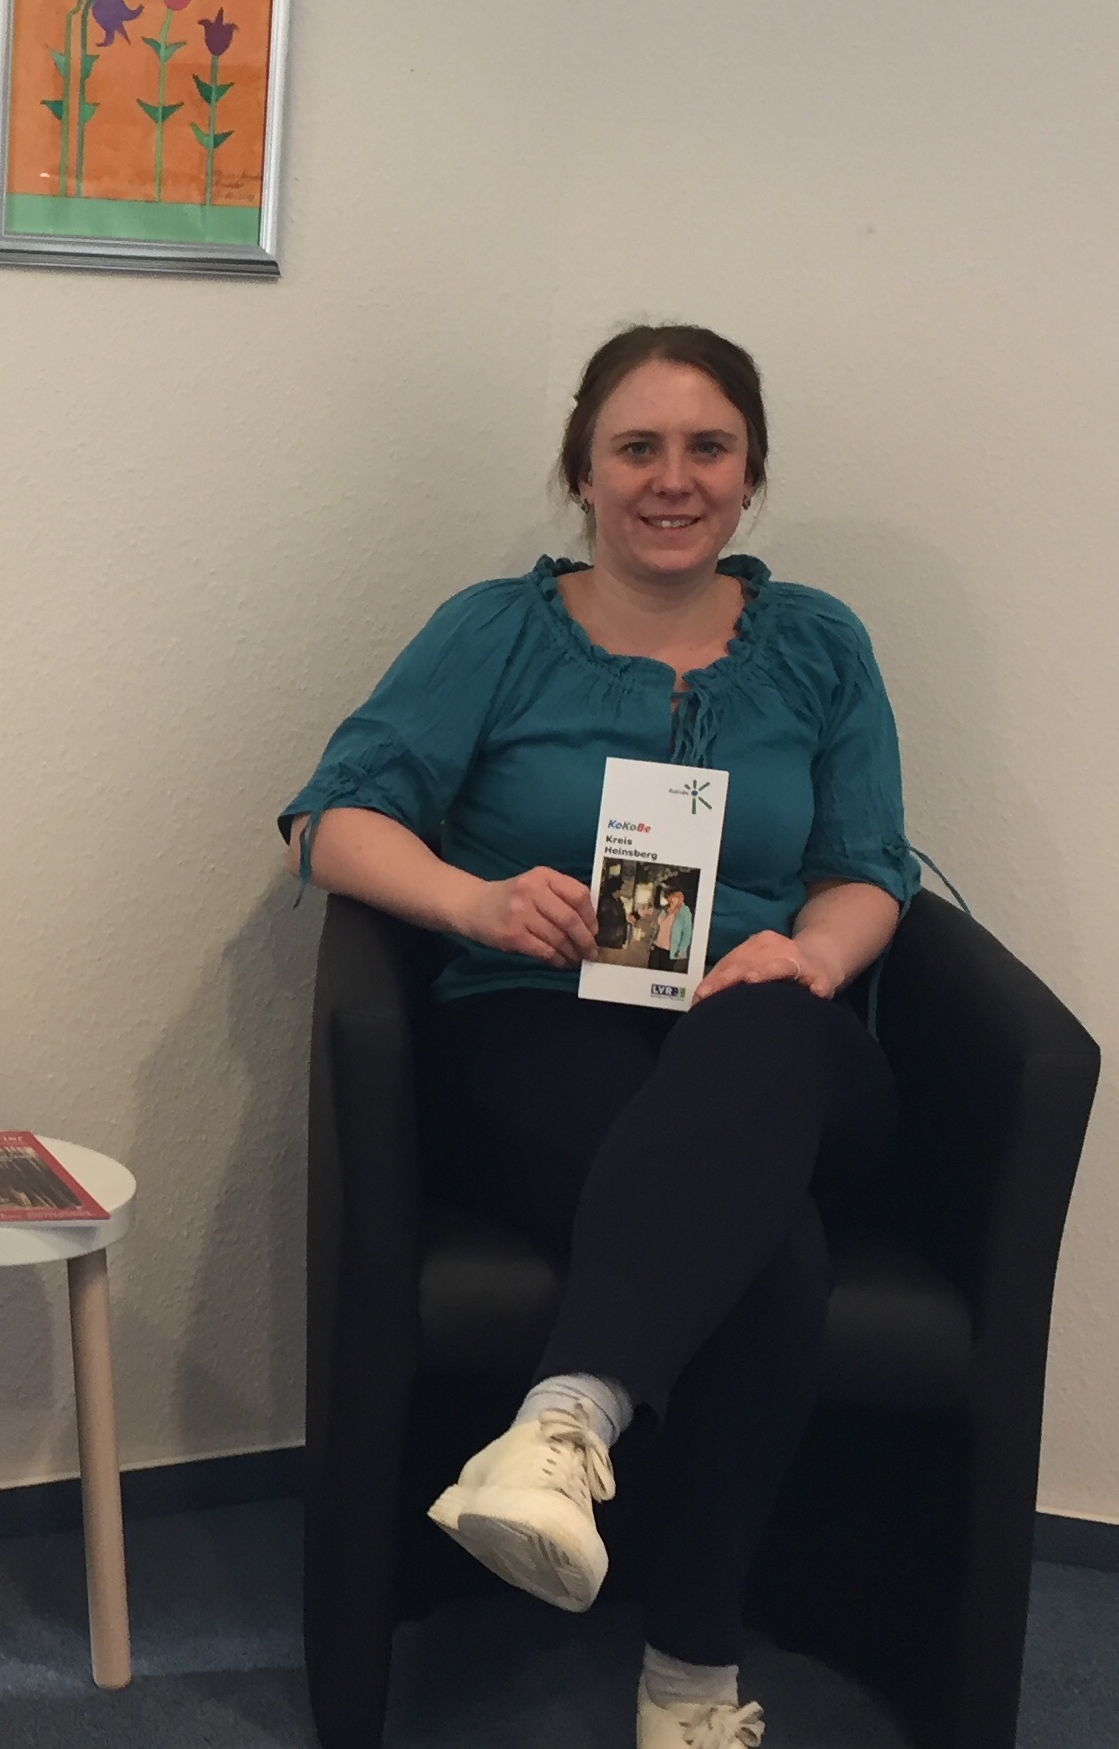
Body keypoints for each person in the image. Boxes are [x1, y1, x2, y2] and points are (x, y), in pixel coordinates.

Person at [279, 325, 916, 1749]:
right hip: (535, 1032)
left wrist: (810, 949)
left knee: (768, 1025)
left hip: (778, 1046)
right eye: (638, 448)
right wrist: (477, 898)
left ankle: (561, 1424)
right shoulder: (494, 631)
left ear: (752, 475)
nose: (672, 480)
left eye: (709, 449)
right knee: (771, 1246)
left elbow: (875, 861)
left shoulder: (819, 643)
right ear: (583, 470)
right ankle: (690, 1686)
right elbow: (333, 818)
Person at [651, 886, 694, 972]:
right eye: (672, 896)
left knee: (665, 972)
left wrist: (682, 949)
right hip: (657, 946)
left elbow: (687, 933)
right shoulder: (665, 909)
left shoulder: (685, 911)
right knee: (651, 969)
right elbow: (659, 923)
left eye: (677, 896)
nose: (674, 898)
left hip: (671, 949)